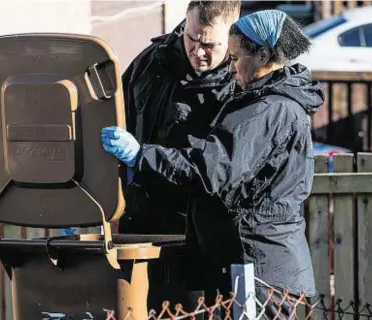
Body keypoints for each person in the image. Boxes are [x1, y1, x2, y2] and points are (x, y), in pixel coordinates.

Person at [102, 9, 323, 318]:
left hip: (259, 273)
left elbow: (209, 172)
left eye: (233, 58)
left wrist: (140, 156)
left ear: (261, 55)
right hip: (254, 267)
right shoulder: (264, 102)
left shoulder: (267, 110)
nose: (230, 69)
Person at [119, 0, 241, 235]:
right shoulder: (153, 60)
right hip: (140, 218)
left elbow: (219, 167)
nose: (198, 51)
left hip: (203, 231)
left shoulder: (241, 84)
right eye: (192, 38)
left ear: (232, 38)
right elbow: (116, 113)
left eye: (209, 44)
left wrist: (141, 156)